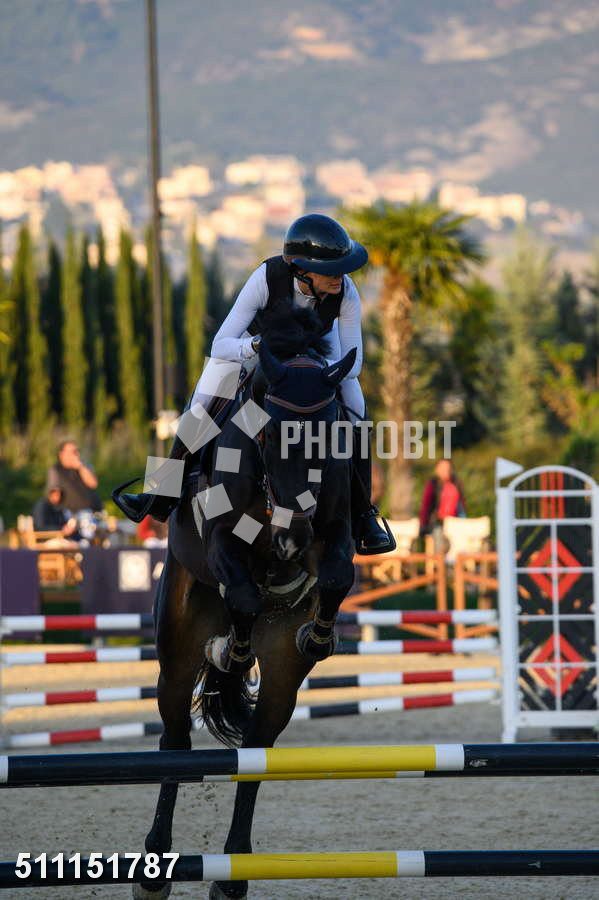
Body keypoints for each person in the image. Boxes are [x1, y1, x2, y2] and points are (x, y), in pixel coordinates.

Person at [115, 213, 395, 554]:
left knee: (358, 409)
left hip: (316, 357)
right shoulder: (266, 277)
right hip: (251, 350)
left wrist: (312, 373)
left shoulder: (346, 291)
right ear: (301, 270)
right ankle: (160, 491)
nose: (340, 276)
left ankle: (364, 515)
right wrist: (256, 347)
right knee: (202, 401)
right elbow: (221, 344)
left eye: (342, 268)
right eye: (331, 270)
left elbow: (353, 362)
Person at [419, 459, 466, 551]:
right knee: (439, 545)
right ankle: (440, 559)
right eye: (442, 468)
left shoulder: (456, 483)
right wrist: (423, 526)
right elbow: (426, 506)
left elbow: (461, 504)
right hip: (438, 523)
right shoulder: (432, 484)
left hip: (455, 522)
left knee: (457, 546)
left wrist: (463, 520)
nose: (445, 471)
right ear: (437, 470)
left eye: (447, 468)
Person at [46, 440, 103, 514]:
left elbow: (93, 484)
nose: (76, 454)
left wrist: (80, 467)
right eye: (73, 452)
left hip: (93, 511)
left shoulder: (84, 466)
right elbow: (54, 495)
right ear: (62, 455)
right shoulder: (56, 470)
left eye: (77, 451)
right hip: (70, 513)